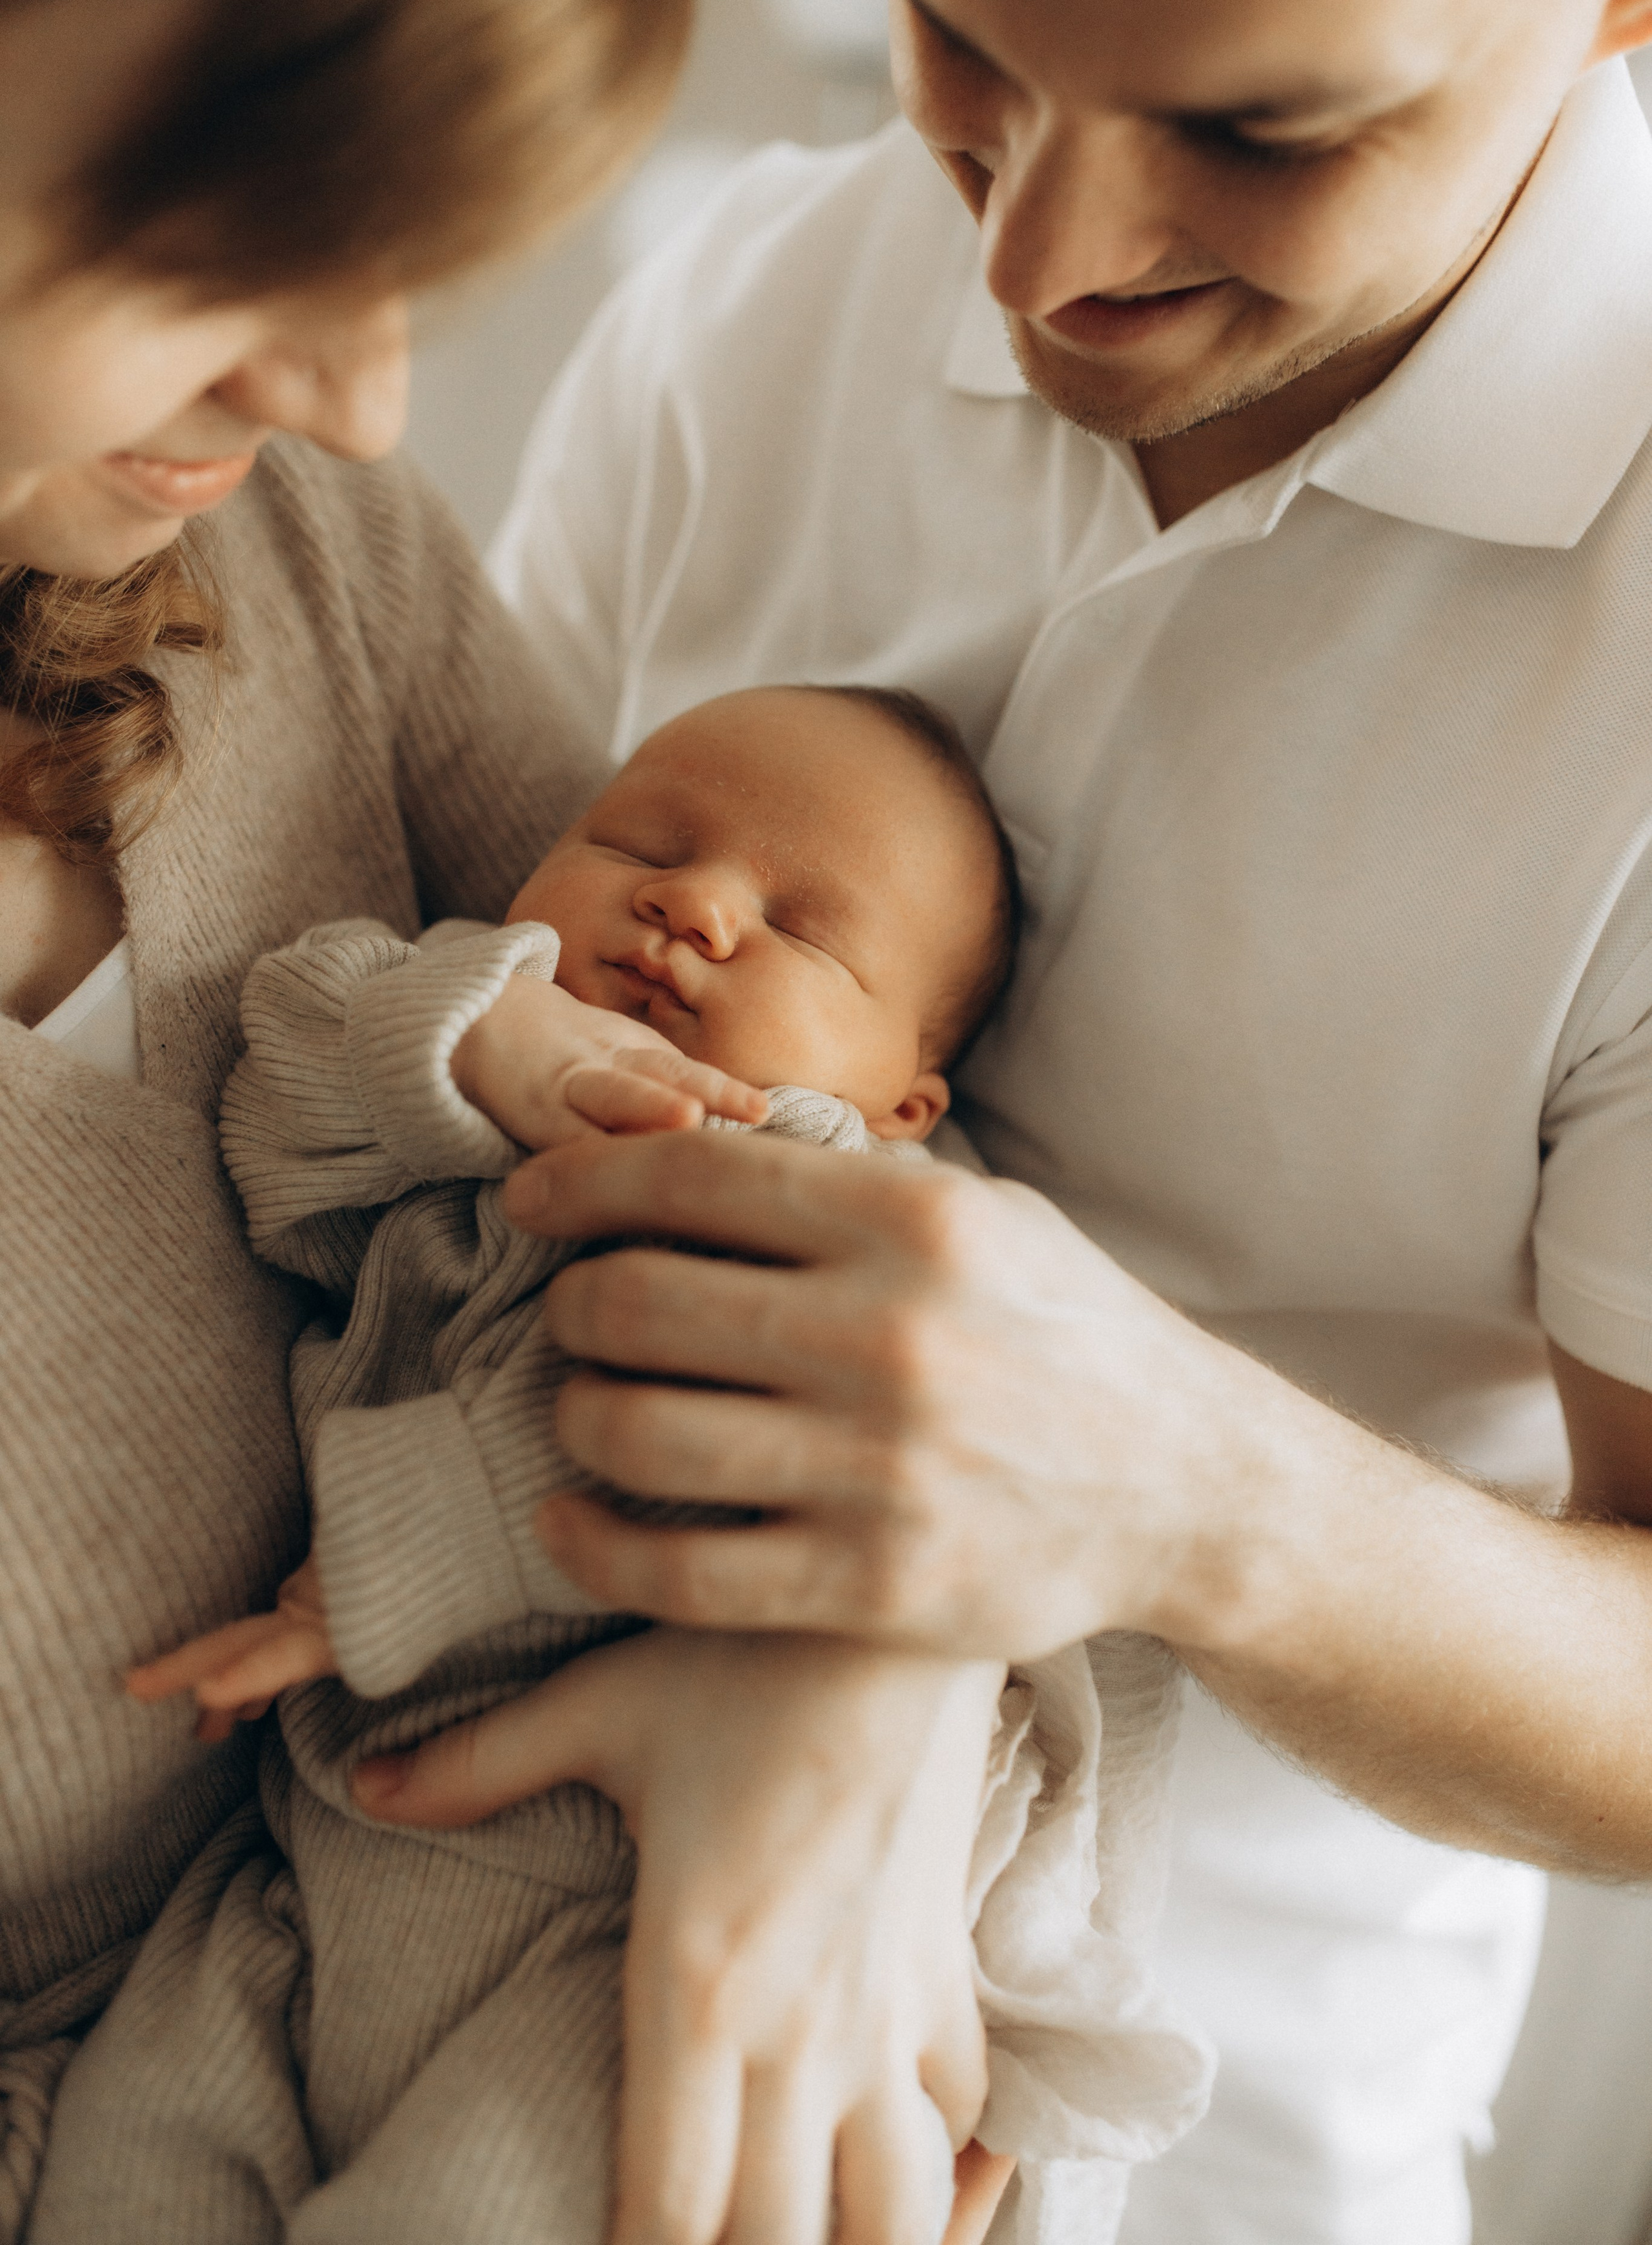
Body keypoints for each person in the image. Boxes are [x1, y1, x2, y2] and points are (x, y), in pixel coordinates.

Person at [347, 0, 1652, 2239]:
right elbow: (399, 1107)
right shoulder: (754, 300)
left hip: (1180, 2139)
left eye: (1266, 127)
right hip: (398, 1923)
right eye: (958, 31)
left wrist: (1174, 1492)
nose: (1041, 251)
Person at [0, 0, 1038, 2245]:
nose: (360, 403)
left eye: (410, 265)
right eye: (247, 227)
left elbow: (832, 1161)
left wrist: (855, 1665)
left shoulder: (300, 566)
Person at [32, 682, 1207, 2242]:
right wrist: (476, 1033)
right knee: (125, 2178)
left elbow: (703, 1433)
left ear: (902, 1099)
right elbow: (273, 1104)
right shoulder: (462, 1142)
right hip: (305, 1878)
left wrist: (385, 1553)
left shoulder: (831, 1200)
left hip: (630, 1928)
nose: (695, 902)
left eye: (804, 930)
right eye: (636, 838)